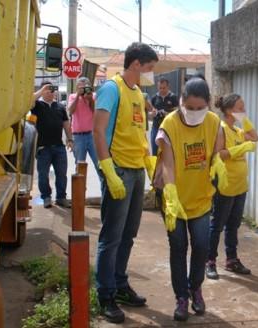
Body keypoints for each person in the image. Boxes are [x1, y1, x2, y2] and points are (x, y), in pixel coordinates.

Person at [93, 42, 158, 324]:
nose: (151, 74)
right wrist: (108, 170)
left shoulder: (138, 94)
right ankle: (105, 294)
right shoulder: (111, 88)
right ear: (136, 65)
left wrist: (150, 165)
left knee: (129, 235)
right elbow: (97, 130)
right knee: (111, 237)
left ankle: (120, 284)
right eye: (150, 68)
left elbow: (139, 134)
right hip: (118, 170)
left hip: (136, 171)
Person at [155, 77, 228, 321]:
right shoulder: (170, 123)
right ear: (181, 102)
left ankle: (195, 287)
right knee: (178, 248)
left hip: (201, 198)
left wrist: (221, 162)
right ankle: (181, 297)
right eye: (190, 108)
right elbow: (167, 164)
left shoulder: (214, 122)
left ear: (208, 104)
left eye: (200, 108)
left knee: (201, 246)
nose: (195, 113)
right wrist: (171, 193)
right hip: (174, 199)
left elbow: (217, 154)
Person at [205, 93, 258, 280]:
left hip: (240, 185)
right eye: (240, 107)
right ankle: (209, 261)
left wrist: (244, 119)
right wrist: (241, 149)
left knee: (233, 225)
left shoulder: (237, 130)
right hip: (225, 184)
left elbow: (255, 136)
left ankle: (231, 259)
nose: (244, 110)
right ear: (228, 110)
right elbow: (219, 155)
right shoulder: (221, 129)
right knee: (217, 225)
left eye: (244, 107)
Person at [31, 81, 73, 209]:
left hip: (59, 147)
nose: (51, 91)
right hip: (43, 147)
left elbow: (66, 123)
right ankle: (46, 197)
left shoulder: (60, 106)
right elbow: (29, 101)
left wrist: (70, 139)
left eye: (52, 89)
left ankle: (61, 197)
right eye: (48, 89)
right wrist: (41, 90)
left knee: (61, 174)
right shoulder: (37, 105)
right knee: (43, 175)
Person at [68, 77, 100, 177]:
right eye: (80, 87)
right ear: (77, 87)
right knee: (79, 166)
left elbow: (97, 112)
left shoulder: (94, 96)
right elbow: (70, 111)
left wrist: (90, 100)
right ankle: (80, 191)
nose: (83, 89)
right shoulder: (73, 97)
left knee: (99, 164)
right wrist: (78, 95)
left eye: (85, 87)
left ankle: (105, 190)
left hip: (92, 135)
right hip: (78, 136)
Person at [150, 78, 179, 155]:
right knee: (155, 150)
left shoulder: (173, 97)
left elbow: (178, 112)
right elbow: (150, 112)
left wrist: (168, 114)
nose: (162, 90)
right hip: (156, 127)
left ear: (168, 87)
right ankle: (155, 166)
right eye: (160, 88)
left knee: (169, 151)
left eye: (164, 88)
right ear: (157, 87)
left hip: (169, 128)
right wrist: (152, 114)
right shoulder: (154, 98)